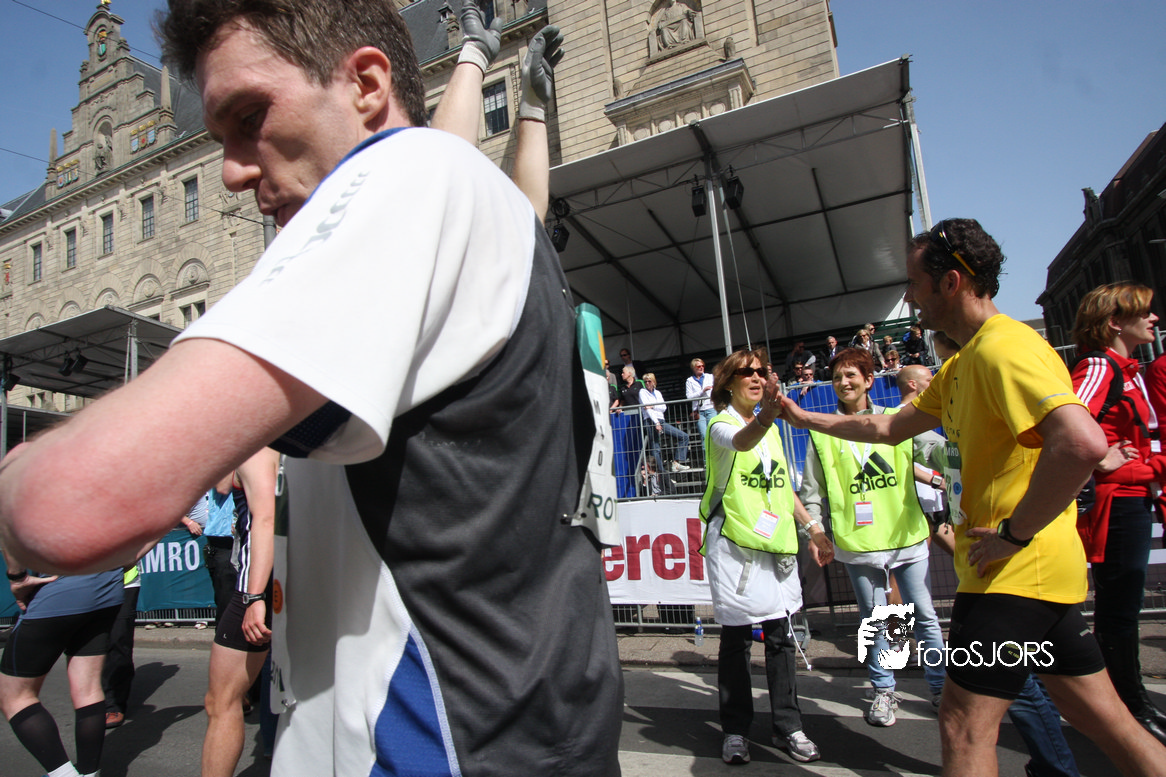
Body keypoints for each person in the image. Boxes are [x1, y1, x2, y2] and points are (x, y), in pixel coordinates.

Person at [0, 3, 623, 776]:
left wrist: (13, 476)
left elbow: (63, 506)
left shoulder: (416, 179)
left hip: (434, 749)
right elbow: (458, 163)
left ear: (366, 85)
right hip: (530, 723)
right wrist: (488, 73)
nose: (230, 172)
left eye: (251, 116)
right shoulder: (483, 218)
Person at [777, 218, 1166, 776]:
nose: (910, 297)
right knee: (1105, 720)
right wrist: (804, 417)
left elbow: (1081, 443)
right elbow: (887, 428)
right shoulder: (964, 361)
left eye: (915, 283)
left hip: (1010, 577)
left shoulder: (1005, 348)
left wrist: (1015, 534)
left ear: (951, 281)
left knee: (962, 724)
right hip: (1027, 577)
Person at [699, 348, 833, 765]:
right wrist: (768, 416)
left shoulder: (771, 430)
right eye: (746, 372)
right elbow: (741, 441)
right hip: (735, 547)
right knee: (737, 640)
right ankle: (735, 730)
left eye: (761, 371)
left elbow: (782, 487)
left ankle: (788, 726)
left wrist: (813, 528)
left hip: (775, 545)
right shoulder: (720, 424)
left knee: (780, 638)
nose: (757, 377)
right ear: (727, 383)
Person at [799, 348, 946, 725]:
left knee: (924, 616)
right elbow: (812, 491)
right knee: (877, 620)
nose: (843, 382)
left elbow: (935, 450)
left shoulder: (897, 419)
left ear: (868, 380)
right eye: (837, 377)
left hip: (905, 536)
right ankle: (884, 690)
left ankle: (940, 689)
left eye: (851, 375)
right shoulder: (822, 432)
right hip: (858, 543)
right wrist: (816, 531)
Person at [1069, 282, 1166, 743]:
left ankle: (1127, 704)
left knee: (1122, 608)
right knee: (1119, 611)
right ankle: (1128, 708)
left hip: (1133, 499)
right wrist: (1101, 457)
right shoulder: (1098, 365)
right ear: (1113, 322)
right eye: (1143, 312)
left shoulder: (1127, 369)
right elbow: (1068, 423)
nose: (1154, 319)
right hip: (1117, 504)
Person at [1, 552, 121, 777]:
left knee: (14, 697)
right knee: (88, 690)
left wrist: (17, 577)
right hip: (108, 584)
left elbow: (9, 531)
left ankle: (64, 775)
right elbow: (154, 531)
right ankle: (89, 774)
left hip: (60, 586)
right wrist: (126, 559)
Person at [202, 447, 279, 777]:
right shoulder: (312, 439)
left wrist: (253, 597)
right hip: (310, 584)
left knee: (222, 700)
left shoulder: (258, 446)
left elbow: (265, 518)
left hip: (263, 584)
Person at [640, 373, 690, 474]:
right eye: (645, 381)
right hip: (650, 421)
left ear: (653, 382)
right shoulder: (642, 392)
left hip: (661, 420)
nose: (647, 383)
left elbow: (663, 407)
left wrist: (653, 406)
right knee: (655, 447)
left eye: (649, 381)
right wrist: (656, 422)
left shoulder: (658, 393)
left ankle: (676, 462)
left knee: (684, 436)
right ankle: (661, 472)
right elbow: (648, 410)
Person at [686, 357, 715, 447]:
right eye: (699, 366)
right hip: (699, 411)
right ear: (694, 368)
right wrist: (702, 391)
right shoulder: (689, 381)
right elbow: (689, 397)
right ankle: (706, 456)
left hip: (711, 408)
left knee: (714, 434)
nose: (701, 367)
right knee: (703, 435)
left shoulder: (710, 377)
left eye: (703, 365)